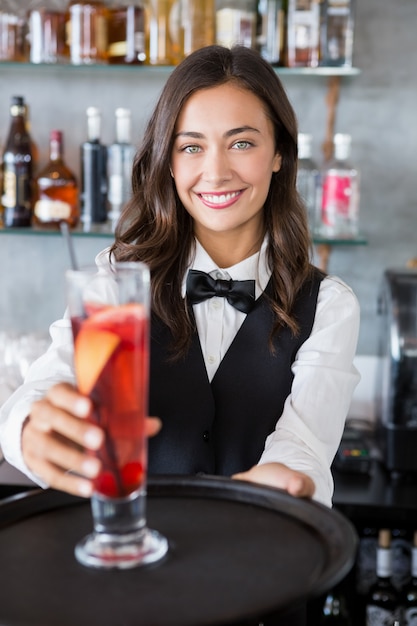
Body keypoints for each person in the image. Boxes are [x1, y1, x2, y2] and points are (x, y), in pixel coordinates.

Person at [0, 44, 359, 623]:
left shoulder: (330, 304)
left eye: (242, 142)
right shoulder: (117, 281)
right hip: (130, 595)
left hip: (262, 588)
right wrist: (29, 427)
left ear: (278, 155)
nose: (215, 172)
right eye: (191, 147)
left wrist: (283, 483)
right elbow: (47, 383)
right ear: (168, 160)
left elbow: (304, 447)